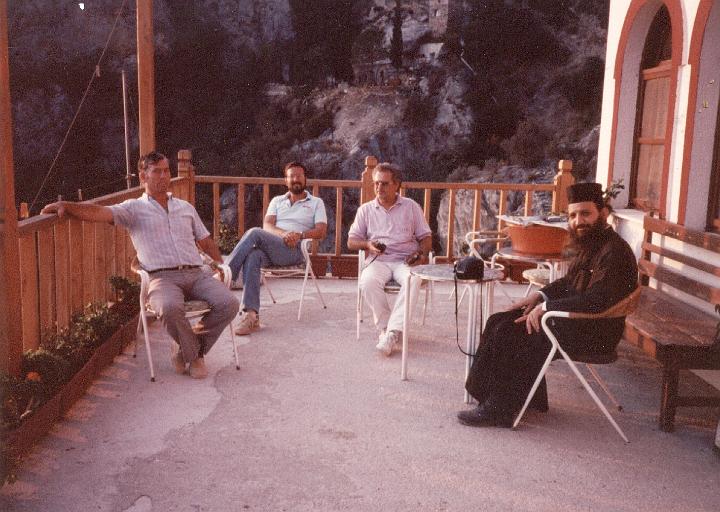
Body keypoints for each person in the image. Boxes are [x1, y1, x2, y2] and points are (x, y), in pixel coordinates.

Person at [41, 151, 239, 379]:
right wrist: (67, 205)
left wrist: (219, 265)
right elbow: (99, 212)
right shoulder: (133, 209)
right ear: (143, 177)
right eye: (157, 171)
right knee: (168, 308)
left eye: (166, 171)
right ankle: (194, 356)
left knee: (229, 303)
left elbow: (204, 241)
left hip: (197, 273)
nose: (163, 176)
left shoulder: (185, 207)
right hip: (161, 278)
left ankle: (187, 348)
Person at [457, 182, 638, 427]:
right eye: (573, 215)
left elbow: (597, 300)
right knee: (499, 320)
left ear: (603, 213)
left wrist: (548, 309)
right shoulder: (592, 243)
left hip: (597, 330)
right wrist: (539, 297)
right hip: (580, 319)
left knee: (514, 330)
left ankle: (499, 408)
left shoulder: (614, 251)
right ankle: (512, 397)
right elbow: (568, 283)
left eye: (586, 213)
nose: (578, 221)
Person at [226, 162, 327, 335]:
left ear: (305, 178)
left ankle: (226, 275)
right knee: (253, 255)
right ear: (285, 181)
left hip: (294, 251)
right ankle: (251, 315)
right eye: (291, 176)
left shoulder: (316, 202)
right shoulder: (277, 201)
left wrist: (299, 235)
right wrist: (284, 234)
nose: (295, 179)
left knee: (254, 233)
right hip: (275, 246)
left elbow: (321, 230)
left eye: (299, 175)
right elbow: (268, 225)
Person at [348, 162, 433, 356]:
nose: (379, 188)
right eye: (376, 183)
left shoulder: (411, 207)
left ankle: (393, 332)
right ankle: (386, 329)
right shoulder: (366, 210)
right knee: (367, 281)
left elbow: (426, 237)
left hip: (405, 260)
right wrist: (368, 245)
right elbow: (351, 241)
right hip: (379, 260)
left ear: (397, 185)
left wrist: (420, 254)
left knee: (413, 279)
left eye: (384, 184)